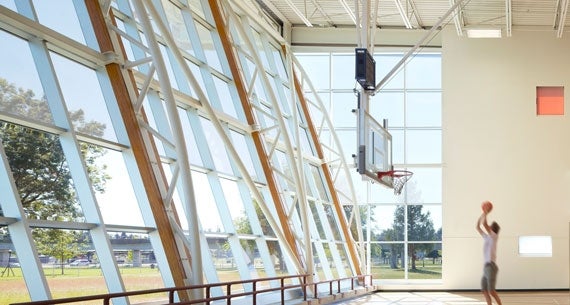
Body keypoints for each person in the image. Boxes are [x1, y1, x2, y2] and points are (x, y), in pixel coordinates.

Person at [476, 209, 502, 305]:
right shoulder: (487, 237)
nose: (489, 226)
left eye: (490, 226)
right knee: (484, 290)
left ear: (493, 229)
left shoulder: (494, 236)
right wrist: (482, 213)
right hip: (486, 267)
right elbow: (478, 227)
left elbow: (484, 224)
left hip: (491, 266)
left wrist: (485, 213)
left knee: (491, 291)